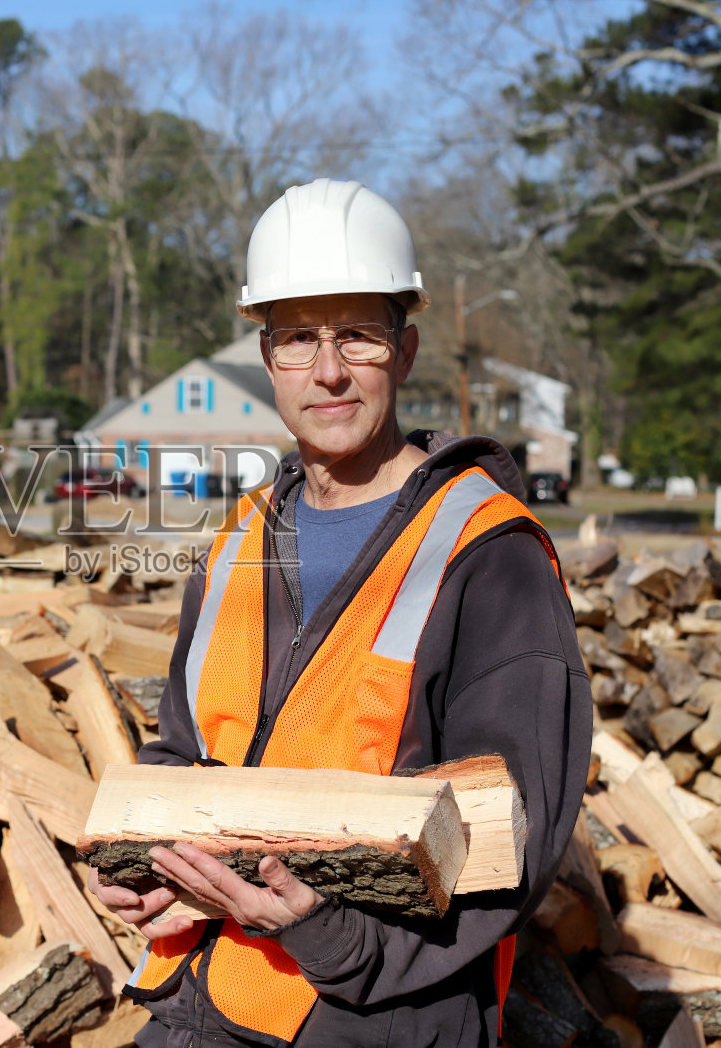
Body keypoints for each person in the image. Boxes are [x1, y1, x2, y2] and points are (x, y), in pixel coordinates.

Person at [88, 178, 591, 1048]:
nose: (327, 369)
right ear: (267, 356)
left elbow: (510, 822)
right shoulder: (240, 538)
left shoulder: (486, 550)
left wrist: (331, 934)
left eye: (356, 334)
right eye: (297, 339)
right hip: (201, 998)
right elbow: (184, 749)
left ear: (405, 350)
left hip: (370, 1018)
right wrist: (147, 870)